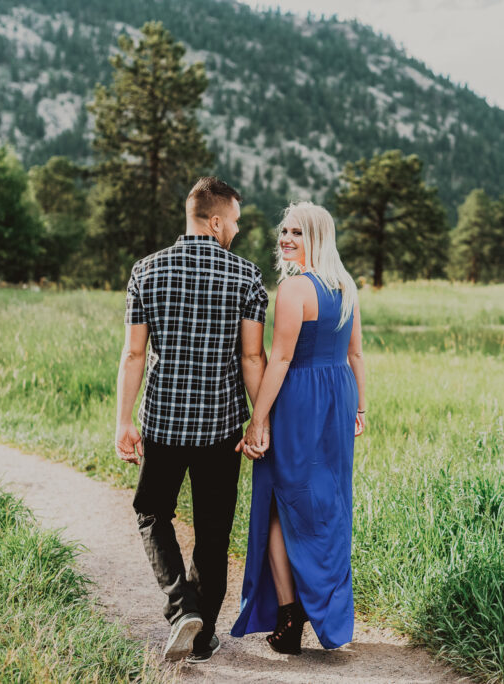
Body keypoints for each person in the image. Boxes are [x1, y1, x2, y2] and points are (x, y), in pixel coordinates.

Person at [114, 177, 269, 662]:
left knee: (152, 513)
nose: (237, 231)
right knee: (214, 531)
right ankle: (201, 638)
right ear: (216, 220)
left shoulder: (146, 270)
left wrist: (123, 420)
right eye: (236, 222)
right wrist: (258, 422)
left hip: (162, 424)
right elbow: (252, 358)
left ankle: (182, 608)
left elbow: (134, 353)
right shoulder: (247, 276)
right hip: (221, 428)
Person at [230, 201, 366, 655]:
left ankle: (290, 614)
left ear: (317, 238)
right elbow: (355, 356)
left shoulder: (293, 290)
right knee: (328, 501)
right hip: (337, 397)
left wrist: (258, 419)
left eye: (297, 232)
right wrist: (360, 407)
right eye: (284, 230)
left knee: (277, 503)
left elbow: (282, 359)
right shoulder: (345, 286)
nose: (285, 239)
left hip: (300, 399)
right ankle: (320, 602)